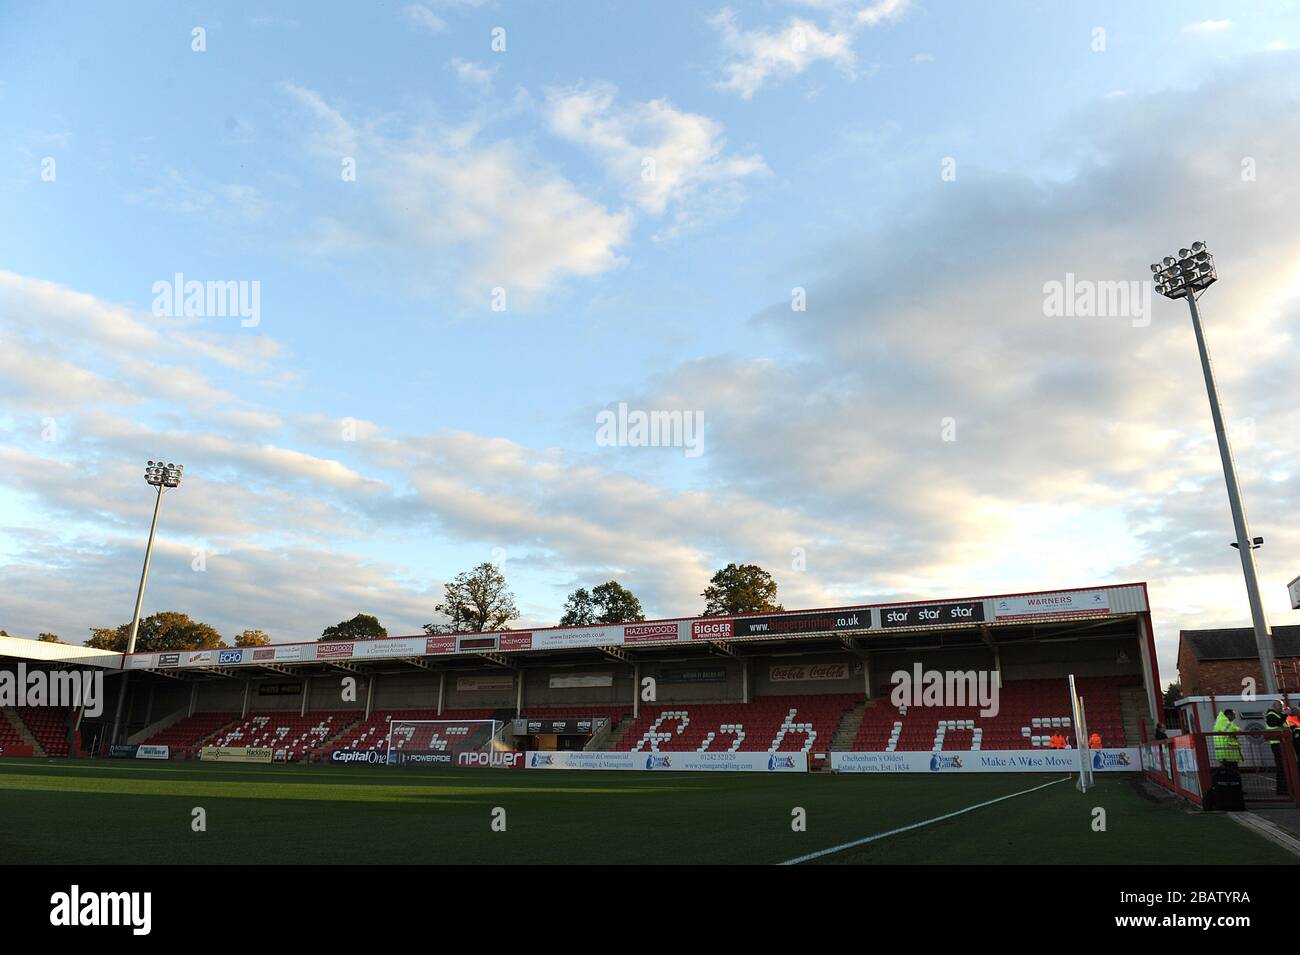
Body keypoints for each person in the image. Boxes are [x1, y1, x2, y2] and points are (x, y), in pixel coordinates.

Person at [1265, 699, 1290, 795]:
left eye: (1282, 705)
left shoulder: (1280, 715)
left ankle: (1286, 788)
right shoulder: (1271, 714)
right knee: (1281, 766)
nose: (1282, 707)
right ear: (1274, 706)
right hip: (1277, 744)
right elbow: (1276, 723)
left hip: (1283, 744)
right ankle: (1282, 789)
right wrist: (1286, 714)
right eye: (1280, 705)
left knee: (1285, 766)